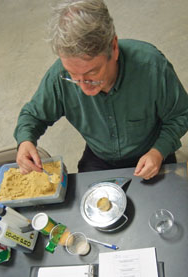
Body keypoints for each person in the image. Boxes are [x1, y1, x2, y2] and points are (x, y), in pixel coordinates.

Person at [14, 0, 188, 180]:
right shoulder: (58, 76)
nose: (83, 85)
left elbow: (181, 115)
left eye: (92, 72)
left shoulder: (152, 68)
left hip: (152, 150)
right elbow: (32, 115)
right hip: (101, 156)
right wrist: (25, 141)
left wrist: (159, 151)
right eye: (73, 75)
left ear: (113, 48)